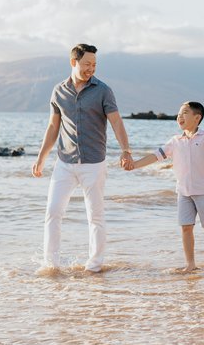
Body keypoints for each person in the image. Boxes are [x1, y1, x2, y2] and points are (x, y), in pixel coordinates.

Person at [32, 43, 133, 275]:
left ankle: (94, 266)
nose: (91, 68)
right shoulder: (58, 91)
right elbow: (52, 126)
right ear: (73, 62)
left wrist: (126, 150)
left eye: (94, 64)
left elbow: (116, 122)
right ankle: (51, 264)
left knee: (95, 216)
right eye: (87, 64)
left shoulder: (103, 90)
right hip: (64, 163)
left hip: (94, 163)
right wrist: (41, 158)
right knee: (53, 212)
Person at [129, 101, 204, 272]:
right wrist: (135, 164)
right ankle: (190, 263)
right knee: (186, 227)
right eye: (179, 113)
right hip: (183, 192)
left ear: (197, 118)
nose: (179, 116)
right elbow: (155, 156)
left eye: (185, 113)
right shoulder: (175, 141)